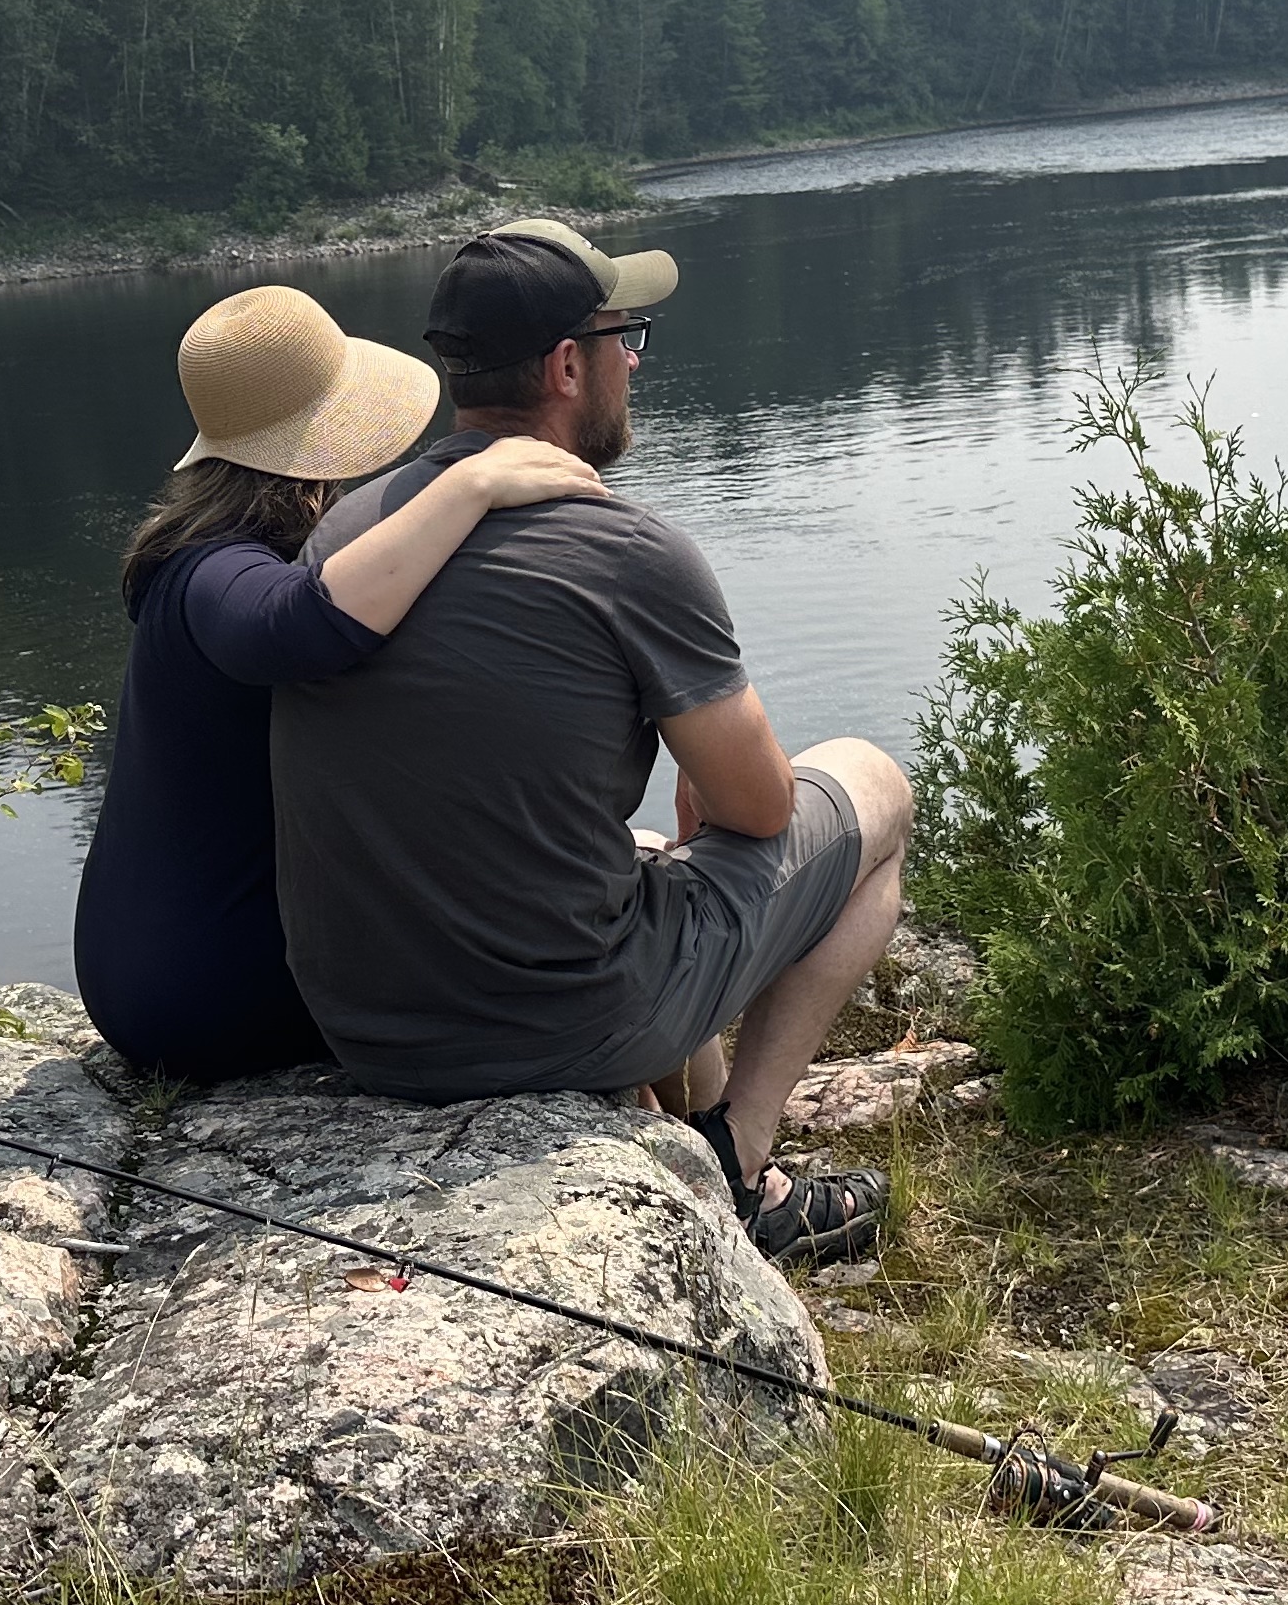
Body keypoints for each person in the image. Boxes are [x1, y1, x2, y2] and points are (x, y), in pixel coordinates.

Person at [272, 220, 907, 1264]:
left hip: (365, 1024)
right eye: (630, 338)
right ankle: (743, 1171)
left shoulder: (350, 537)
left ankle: (685, 1125)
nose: (635, 365)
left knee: (643, 861)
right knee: (874, 789)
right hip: (551, 1027)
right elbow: (758, 813)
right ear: (571, 364)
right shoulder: (627, 551)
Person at [72, 283, 604, 1083]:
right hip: (212, 998)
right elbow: (295, 627)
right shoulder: (210, 571)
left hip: (142, 976)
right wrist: (473, 486)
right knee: (575, 931)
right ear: (318, 453)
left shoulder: (196, 555)